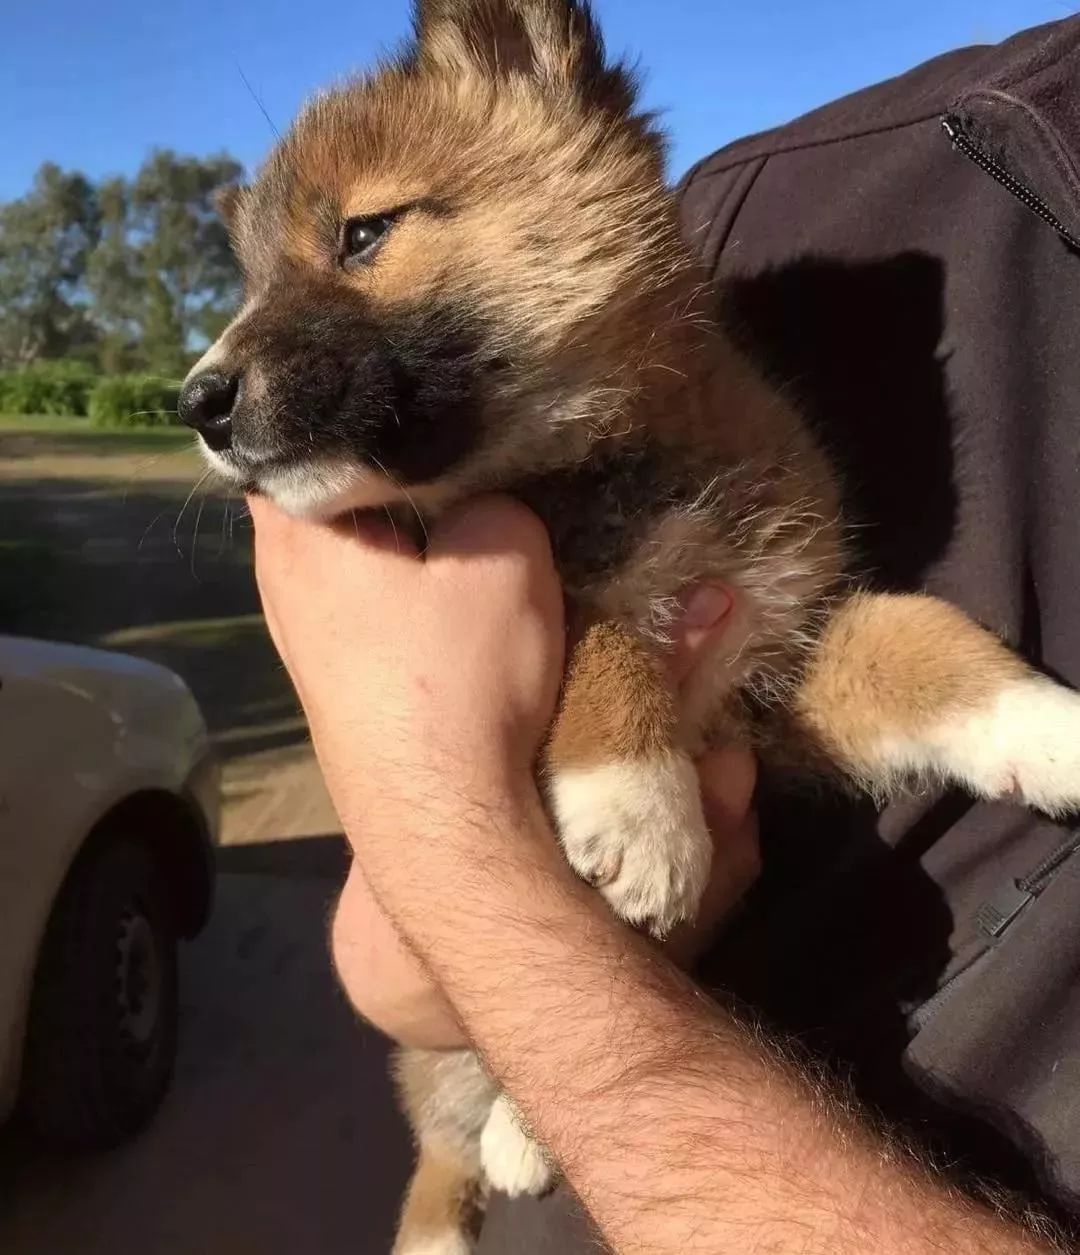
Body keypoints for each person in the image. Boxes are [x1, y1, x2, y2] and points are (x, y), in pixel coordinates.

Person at [250, 14, 1080, 1253]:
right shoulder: (904, 171)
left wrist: (994, 709)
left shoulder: (951, 195)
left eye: (361, 238)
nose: (239, 346)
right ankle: (437, 1196)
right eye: (268, 277)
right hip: (553, 1084)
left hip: (721, 1128)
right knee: (454, 1110)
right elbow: (400, 941)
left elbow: (804, 676)